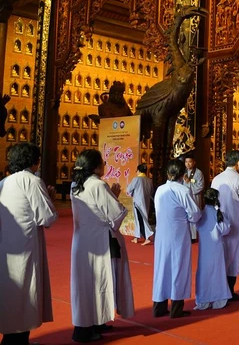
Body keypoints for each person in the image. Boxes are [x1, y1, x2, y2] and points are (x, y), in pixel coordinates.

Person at [70, 149, 135, 342]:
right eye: (102, 162)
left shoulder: (76, 185)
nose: (104, 165)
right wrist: (114, 197)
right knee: (99, 281)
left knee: (87, 284)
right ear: (95, 166)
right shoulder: (98, 185)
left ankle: (95, 321)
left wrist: (110, 197)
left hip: (83, 240)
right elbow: (116, 215)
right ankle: (85, 328)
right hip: (99, 241)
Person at [0, 143, 57, 345]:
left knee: (10, 294)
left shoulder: (4, 182)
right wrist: (50, 200)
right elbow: (46, 218)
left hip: (7, 246)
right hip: (26, 246)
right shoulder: (33, 181)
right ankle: (17, 341)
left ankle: (12, 339)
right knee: (24, 294)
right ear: (34, 161)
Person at [152, 159, 202, 318]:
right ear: (182, 174)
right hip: (178, 234)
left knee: (162, 267)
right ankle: (176, 308)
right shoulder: (183, 190)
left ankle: (159, 307)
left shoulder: (160, 189)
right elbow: (195, 214)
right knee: (178, 267)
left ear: (168, 173)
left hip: (162, 233)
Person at [211, 150, 239, 299]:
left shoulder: (216, 179)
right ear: (238, 163)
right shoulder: (238, 179)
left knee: (222, 254)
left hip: (218, 221)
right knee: (233, 255)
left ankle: (220, 288)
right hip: (236, 222)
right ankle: (229, 290)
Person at [194, 188, 231, 310]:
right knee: (217, 271)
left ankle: (203, 299)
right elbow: (225, 229)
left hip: (204, 249)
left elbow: (197, 227)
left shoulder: (201, 214)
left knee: (204, 272)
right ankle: (219, 297)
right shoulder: (218, 214)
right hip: (217, 247)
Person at [126, 163, 154, 245]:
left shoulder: (137, 179)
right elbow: (151, 191)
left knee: (141, 219)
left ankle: (147, 237)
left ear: (138, 171)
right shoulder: (149, 180)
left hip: (138, 202)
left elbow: (129, 189)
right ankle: (136, 237)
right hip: (146, 202)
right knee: (141, 218)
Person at [184, 154, 205, 241]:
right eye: (186, 162)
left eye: (190, 162)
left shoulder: (198, 173)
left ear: (194, 162)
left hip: (194, 196)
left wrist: (189, 183)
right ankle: (187, 235)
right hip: (186, 197)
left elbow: (200, 186)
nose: (188, 164)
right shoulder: (184, 172)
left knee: (194, 215)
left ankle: (194, 236)